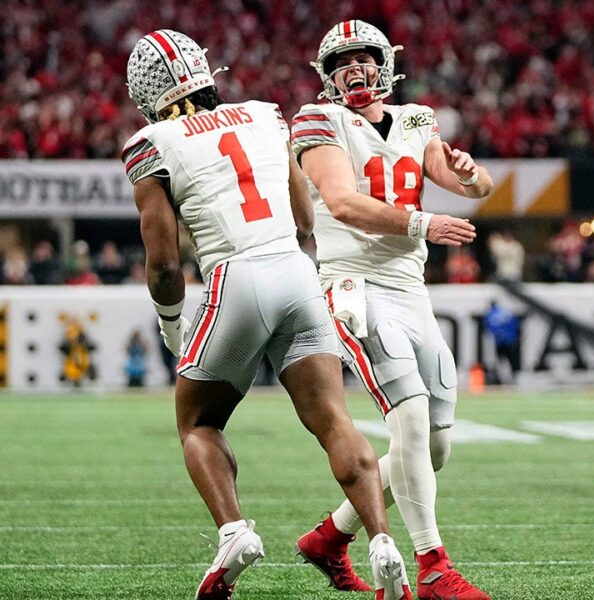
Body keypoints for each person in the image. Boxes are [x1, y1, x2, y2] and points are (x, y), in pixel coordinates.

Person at [122, 29, 415, 600]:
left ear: (145, 89)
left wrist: (170, 321)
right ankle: (382, 540)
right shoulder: (261, 114)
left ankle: (234, 533)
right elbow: (305, 216)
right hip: (294, 270)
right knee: (335, 421)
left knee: (198, 423)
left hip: (234, 277)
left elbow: (161, 262)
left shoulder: (150, 141)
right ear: (203, 69)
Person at [291, 20, 494, 600]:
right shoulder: (318, 119)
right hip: (355, 283)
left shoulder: (414, 118)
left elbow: (467, 185)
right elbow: (342, 201)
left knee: (434, 444)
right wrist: (423, 222)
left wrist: (469, 174)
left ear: (386, 64)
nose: (355, 71)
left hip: (410, 288)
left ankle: (331, 535)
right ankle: (432, 566)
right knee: (405, 418)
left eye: (364, 59)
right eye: (343, 63)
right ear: (327, 75)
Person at [483, 301, 521, 383]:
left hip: (500, 342)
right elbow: (516, 324)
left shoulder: (491, 314)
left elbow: (489, 328)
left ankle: (504, 379)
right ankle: (513, 378)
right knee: (511, 361)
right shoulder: (506, 312)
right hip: (511, 340)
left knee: (502, 361)